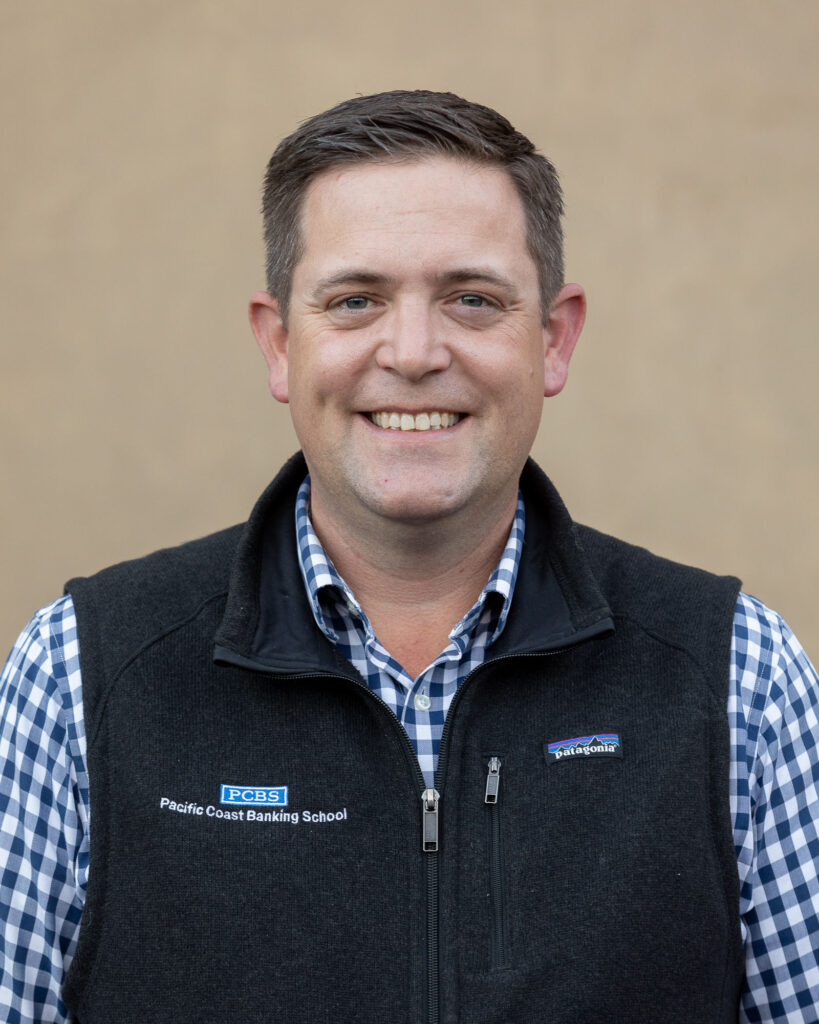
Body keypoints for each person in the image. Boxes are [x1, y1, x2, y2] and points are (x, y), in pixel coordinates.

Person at [1, 90, 817, 1024]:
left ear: (553, 338)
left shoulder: (738, 680)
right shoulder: (78, 677)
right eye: (355, 301)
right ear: (279, 343)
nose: (415, 352)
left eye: (472, 300)